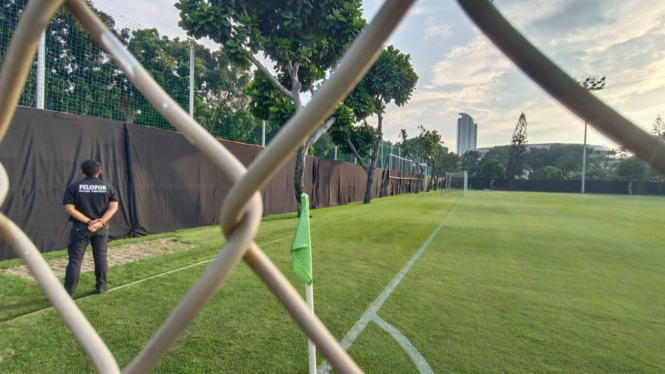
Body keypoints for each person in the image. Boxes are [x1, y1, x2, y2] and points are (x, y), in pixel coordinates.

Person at [63, 160, 119, 296]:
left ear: (82, 171)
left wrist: (89, 222)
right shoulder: (108, 187)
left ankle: (69, 292)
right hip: (101, 229)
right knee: (100, 258)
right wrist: (99, 223)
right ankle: (101, 286)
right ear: (100, 172)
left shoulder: (73, 187)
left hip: (80, 228)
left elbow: (69, 209)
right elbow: (113, 208)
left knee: (75, 260)